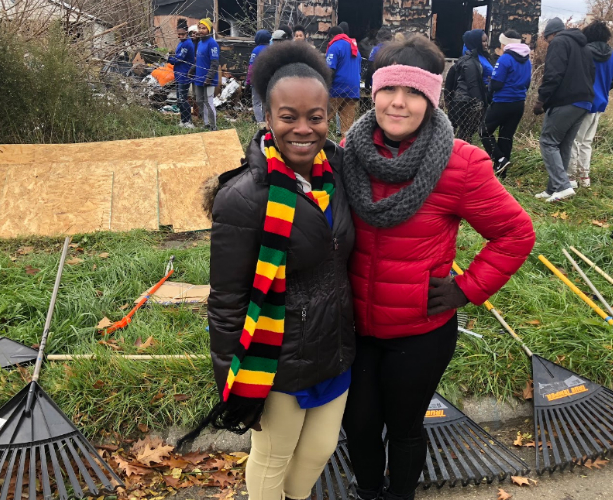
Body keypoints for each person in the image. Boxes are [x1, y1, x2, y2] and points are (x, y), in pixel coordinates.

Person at [340, 36, 535, 500]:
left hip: (419, 332)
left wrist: (466, 290)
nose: (399, 103)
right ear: (373, 90)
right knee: (360, 426)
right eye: (389, 89)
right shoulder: (348, 151)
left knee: (404, 428)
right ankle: (368, 492)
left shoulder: (461, 163)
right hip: (352, 328)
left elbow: (515, 233)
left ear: (433, 96)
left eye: (414, 92)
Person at [203, 40, 355, 500]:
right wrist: (233, 380)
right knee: (273, 457)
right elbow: (226, 300)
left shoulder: (341, 172)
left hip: (334, 344)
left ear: (330, 117)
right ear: (267, 119)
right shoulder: (244, 197)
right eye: (289, 117)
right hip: (275, 358)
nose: (304, 129)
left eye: (316, 116)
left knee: (321, 449)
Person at [533, 17, 595, 203]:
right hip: (585, 102)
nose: (547, 43)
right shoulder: (583, 46)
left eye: (546, 39)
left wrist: (541, 100)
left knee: (548, 142)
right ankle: (553, 189)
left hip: (565, 101)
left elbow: (553, 73)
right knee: (564, 144)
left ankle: (563, 186)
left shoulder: (559, 42)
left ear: (551, 34)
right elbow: (592, 74)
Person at [568, 19, 613, 189]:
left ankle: (570, 178)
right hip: (600, 103)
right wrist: (603, 90)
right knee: (587, 142)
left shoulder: (584, 52)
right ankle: (584, 178)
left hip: (582, 102)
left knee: (574, 141)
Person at [480, 29, 532, 177]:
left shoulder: (505, 59)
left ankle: (499, 159)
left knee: (484, 131)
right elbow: (527, 83)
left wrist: (489, 93)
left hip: (502, 102)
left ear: (505, 44)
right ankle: (502, 172)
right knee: (506, 136)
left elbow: (496, 84)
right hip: (519, 103)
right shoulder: (527, 61)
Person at [445, 30, 493, 142]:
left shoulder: (480, 57)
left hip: (471, 100)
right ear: (476, 42)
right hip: (468, 102)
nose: (486, 44)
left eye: (486, 41)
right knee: (465, 135)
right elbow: (472, 84)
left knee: (465, 134)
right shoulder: (471, 61)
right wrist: (479, 102)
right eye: (483, 41)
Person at [326, 26, 361, 136]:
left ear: (332, 36)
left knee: (322, 119)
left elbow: (330, 70)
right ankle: (346, 149)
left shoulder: (335, 46)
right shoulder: (354, 47)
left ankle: (320, 149)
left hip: (337, 88)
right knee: (347, 127)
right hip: (353, 90)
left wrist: (326, 87)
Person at [168, 18, 196, 128]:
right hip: (179, 74)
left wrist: (167, 58)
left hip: (184, 75)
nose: (180, 36)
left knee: (183, 99)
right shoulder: (181, 43)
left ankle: (188, 121)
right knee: (179, 100)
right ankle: (183, 120)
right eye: (178, 34)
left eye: (182, 34)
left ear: (186, 32)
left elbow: (179, 58)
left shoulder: (187, 44)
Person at [194, 18, 220, 130]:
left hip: (208, 79)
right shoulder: (200, 43)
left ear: (209, 30)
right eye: (199, 28)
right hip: (198, 78)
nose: (201, 30)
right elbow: (199, 60)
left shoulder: (212, 44)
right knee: (200, 101)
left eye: (203, 28)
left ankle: (213, 126)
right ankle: (206, 124)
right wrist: (192, 70)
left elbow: (214, 63)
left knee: (208, 102)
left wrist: (209, 77)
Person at [247, 29, 272, 126]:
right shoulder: (271, 49)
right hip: (268, 81)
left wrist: (248, 82)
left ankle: (259, 122)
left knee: (257, 102)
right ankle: (267, 121)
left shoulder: (256, 50)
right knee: (266, 102)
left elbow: (251, 68)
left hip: (257, 80)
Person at [365, 26, 392, 91]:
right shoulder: (394, 50)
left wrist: (367, 84)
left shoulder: (376, 49)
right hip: (391, 83)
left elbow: (370, 67)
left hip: (378, 82)